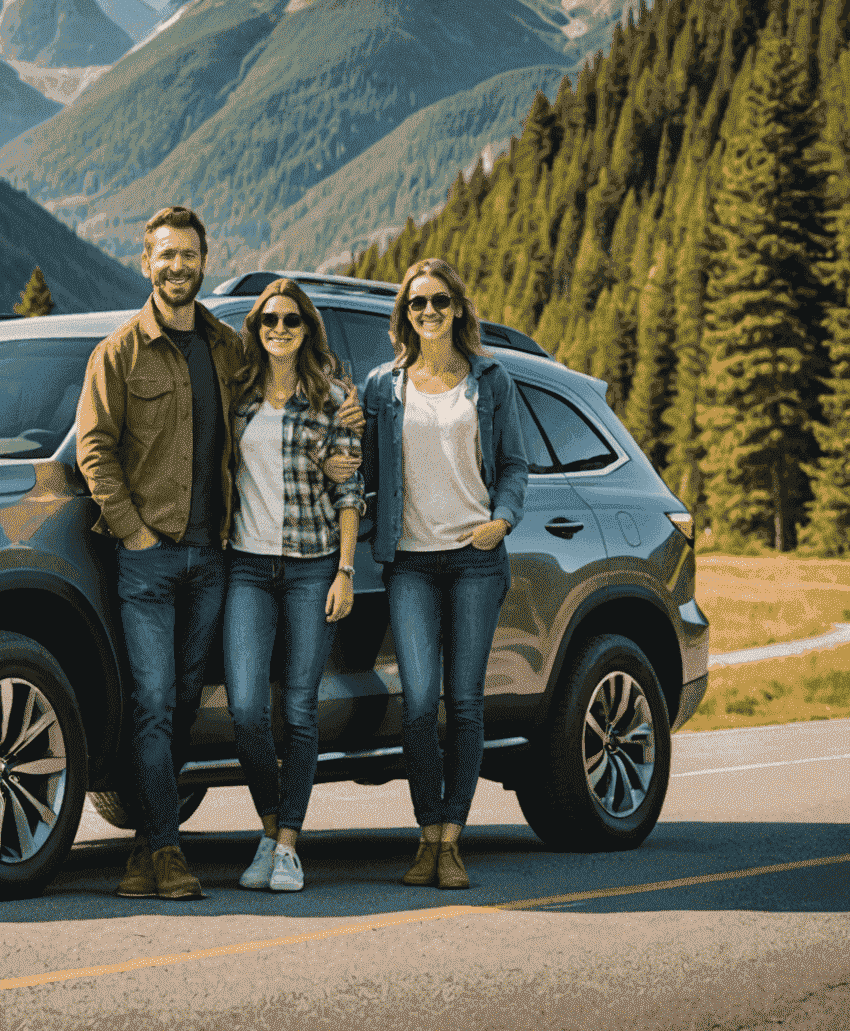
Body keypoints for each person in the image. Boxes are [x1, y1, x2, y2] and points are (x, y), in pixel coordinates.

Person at [77, 205, 242, 901]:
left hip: (214, 558)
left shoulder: (229, 349)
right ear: (146, 264)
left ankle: (148, 847)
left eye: (189, 254)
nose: (178, 266)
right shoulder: (118, 353)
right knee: (149, 701)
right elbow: (94, 448)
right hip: (147, 559)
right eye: (165, 255)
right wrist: (133, 530)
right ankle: (169, 851)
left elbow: (284, 400)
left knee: (180, 703)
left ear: (206, 261)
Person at [360, 257, 528, 890]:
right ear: (404, 315)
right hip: (409, 564)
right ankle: (424, 833)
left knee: (463, 699)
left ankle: (452, 839)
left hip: (475, 561)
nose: (426, 312)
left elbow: (514, 465)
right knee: (417, 699)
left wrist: (501, 521)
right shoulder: (384, 385)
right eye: (415, 304)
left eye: (437, 302)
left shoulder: (491, 379)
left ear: (458, 308)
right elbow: (368, 473)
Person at [224, 280, 365, 894]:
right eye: (267, 321)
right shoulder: (239, 398)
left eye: (291, 320)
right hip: (247, 569)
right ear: (255, 330)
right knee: (247, 707)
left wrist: (346, 571)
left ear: (307, 329)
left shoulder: (333, 400)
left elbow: (349, 491)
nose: (278, 329)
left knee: (300, 710)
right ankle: (268, 827)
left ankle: (287, 847)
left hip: (311, 568)